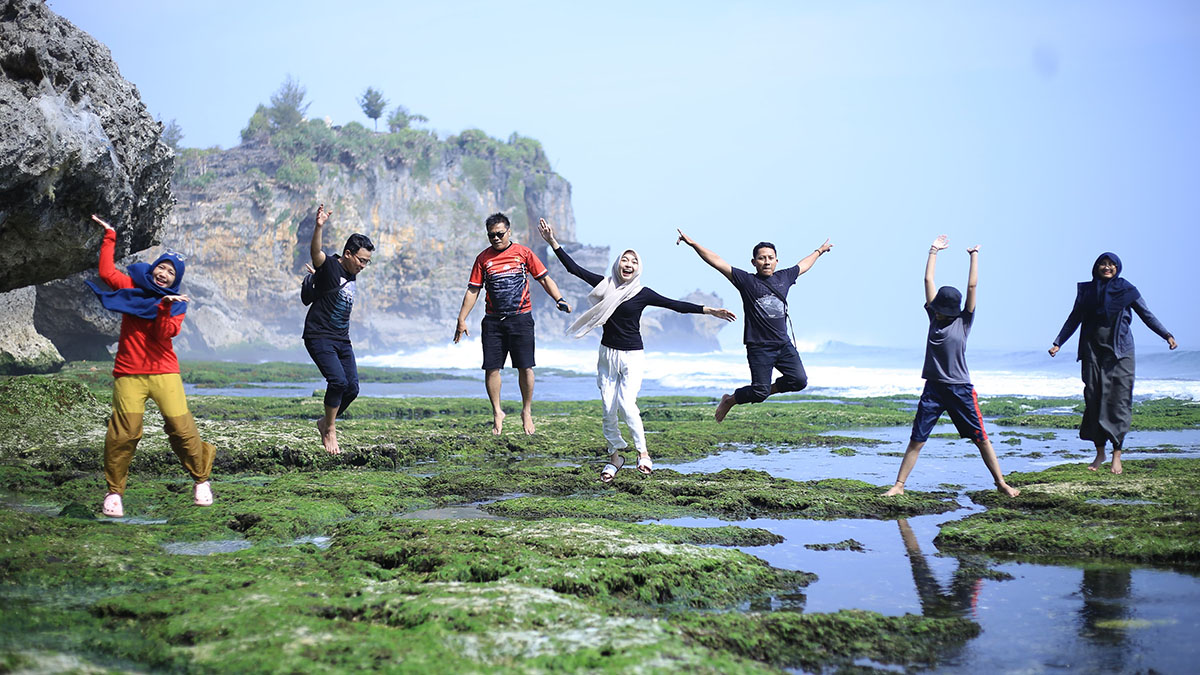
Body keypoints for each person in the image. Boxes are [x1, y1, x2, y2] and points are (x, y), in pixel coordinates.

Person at [539, 219, 736, 480]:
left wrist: (709, 310)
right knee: (608, 409)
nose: (628, 264)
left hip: (632, 356)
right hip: (607, 355)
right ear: (618, 263)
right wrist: (553, 242)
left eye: (633, 261)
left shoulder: (643, 293)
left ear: (638, 267)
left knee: (626, 403)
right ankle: (616, 458)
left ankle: (643, 454)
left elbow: (674, 304)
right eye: (625, 259)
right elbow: (573, 269)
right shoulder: (604, 285)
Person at [85, 214, 217, 518]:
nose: (164, 273)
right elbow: (106, 273)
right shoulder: (133, 285)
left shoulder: (177, 302)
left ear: (176, 279)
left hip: (164, 372)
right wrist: (110, 236)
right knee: (124, 433)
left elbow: (164, 334)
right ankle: (114, 493)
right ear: (154, 268)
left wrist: (165, 307)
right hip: (128, 372)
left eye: (171, 272)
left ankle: (201, 480)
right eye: (162, 267)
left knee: (181, 429)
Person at [882, 235, 1019, 498]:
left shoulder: (964, 321)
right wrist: (933, 251)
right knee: (917, 438)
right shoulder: (933, 317)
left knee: (980, 437)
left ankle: (1001, 483)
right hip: (933, 389)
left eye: (944, 309)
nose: (941, 312)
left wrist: (973, 256)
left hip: (960, 389)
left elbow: (972, 286)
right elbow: (928, 281)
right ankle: (898, 485)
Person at [676, 229, 832, 422]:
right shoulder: (747, 281)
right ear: (754, 262)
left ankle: (766, 389)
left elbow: (803, 265)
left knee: (799, 380)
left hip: (783, 345)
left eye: (770, 258)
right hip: (759, 347)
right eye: (761, 258)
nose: (766, 261)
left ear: (776, 261)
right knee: (759, 394)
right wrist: (694, 245)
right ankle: (730, 400)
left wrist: (820, 250)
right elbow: (717, 261)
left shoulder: (785, 277)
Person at [1049, 252, 1176, 474]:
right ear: (1096, 267)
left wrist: (1166, 335)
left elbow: (1147, 314)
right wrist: (1058, 342)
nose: (1107, 268)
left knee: (1118, 402)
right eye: (1103, 264)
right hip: (1092, 353)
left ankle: (1117, 454)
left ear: (1118, 267)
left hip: (1121, 354)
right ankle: (1100, 453)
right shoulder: (1087, 292)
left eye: (1111, 264)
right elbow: (1074, 318)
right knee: (1094, 400)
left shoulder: (1127, 290)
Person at [454, 213, 571, 435]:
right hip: (493, 322)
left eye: (499, 234)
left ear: (509, 232)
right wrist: (462, 319)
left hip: (521, 319)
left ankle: (526, 411)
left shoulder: (523, 253)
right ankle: (497, 411)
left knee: (525, 367)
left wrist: (559, 299)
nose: (496, 239)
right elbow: (473, 289)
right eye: (491, 236)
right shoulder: (483, 259)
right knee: (491, 368)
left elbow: (544, 278)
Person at [303, 203, 374, 455]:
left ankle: (325, 421)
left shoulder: (352, 274)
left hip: (342, 340)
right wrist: (319, 226)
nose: (363, 266)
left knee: (352, 388)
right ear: (347, 253)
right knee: (337, 381)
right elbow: (316, 253)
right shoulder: (331, 265)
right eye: (361, 260)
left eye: (368, 262)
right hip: (318, 336)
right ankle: (330, 429)